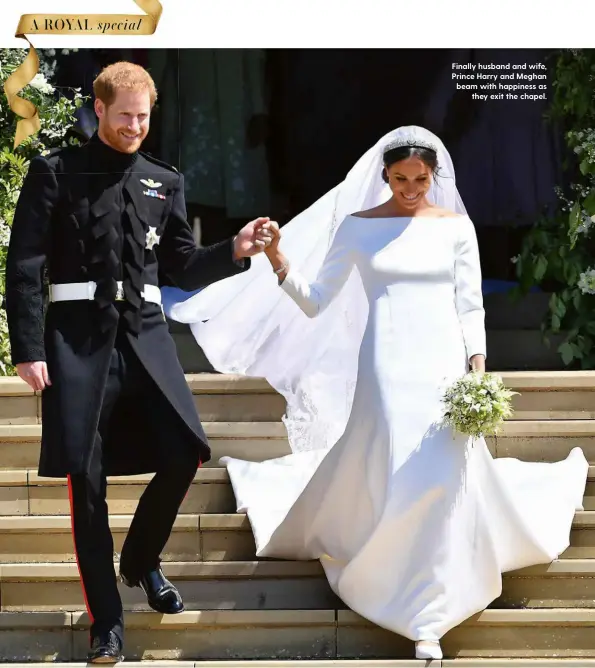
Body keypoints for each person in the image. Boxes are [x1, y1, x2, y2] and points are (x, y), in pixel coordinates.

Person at [163, 126, 588, 660]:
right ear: (385, 175)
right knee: (393, 456)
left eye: (420, 179)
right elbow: (317, 302)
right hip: (385, 362)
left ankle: (430, 612)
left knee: (442, 469)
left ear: (435, 176)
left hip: (443, 364)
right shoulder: (358, 228)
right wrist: (278, 263)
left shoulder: (457, 227)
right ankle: (404, 593)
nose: (411, 187)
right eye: (400, 178)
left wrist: (477, 366)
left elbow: (470, 304)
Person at [5, 62, 272, 663]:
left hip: (147, 340)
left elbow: (178, 264)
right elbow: (24, 267)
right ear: (98, 109)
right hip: (76, 343)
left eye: (143, 117)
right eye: (124, 115)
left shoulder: (162, 179)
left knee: (186, 451)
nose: (134, 126)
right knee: (88, 484)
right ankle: (108, 622)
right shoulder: (56, 172)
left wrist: (233, 250)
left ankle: (142, 560)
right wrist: (28, 349)